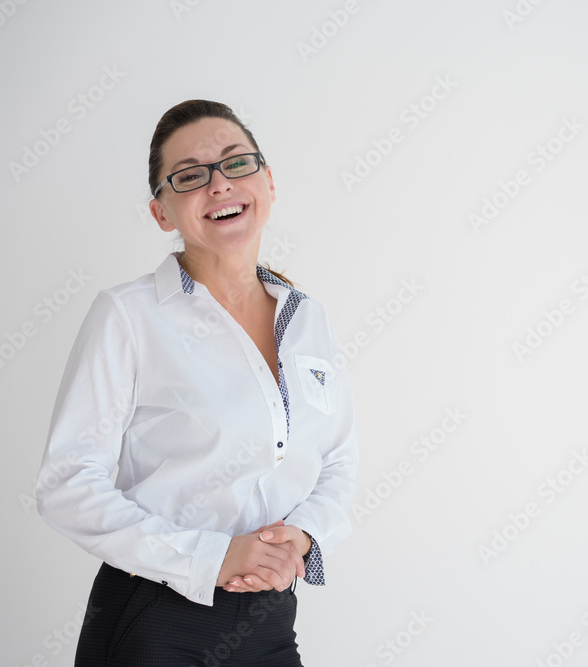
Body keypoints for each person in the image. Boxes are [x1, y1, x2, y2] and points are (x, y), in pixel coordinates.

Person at [35, 99, 359, 666]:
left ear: (268, 182)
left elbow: (337, 459)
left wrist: (302, 538)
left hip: (270, 619)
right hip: (154, 619)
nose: (219, 184)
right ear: (161, 213)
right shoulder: (128, 315)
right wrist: (208, 557)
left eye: (236, 163)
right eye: (189, 176)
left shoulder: (308, 318)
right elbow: (66, 483)